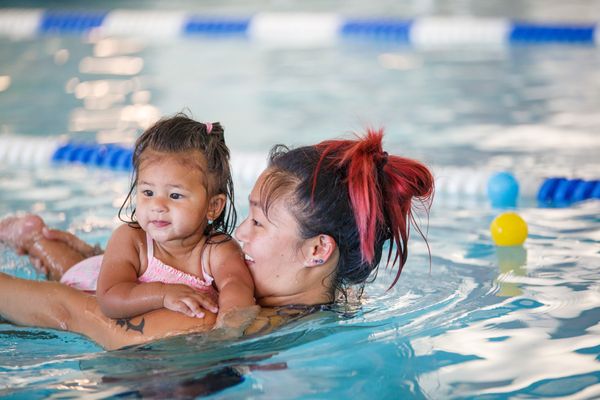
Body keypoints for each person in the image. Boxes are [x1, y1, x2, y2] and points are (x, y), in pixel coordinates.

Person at [0, 128, 434, 350]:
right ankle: (47, 244)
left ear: (319, 249)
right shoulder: (337, 311)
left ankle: (43, 244)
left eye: (260, 224)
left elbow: (68, 310)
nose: (238, 231)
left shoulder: (210, 322)